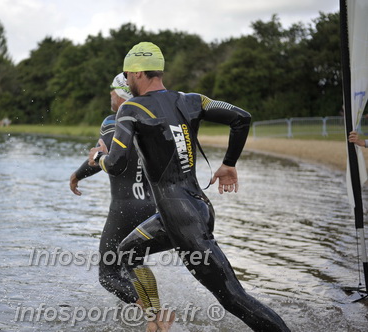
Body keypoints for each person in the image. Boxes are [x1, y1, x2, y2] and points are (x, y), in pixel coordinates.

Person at [89, 42, 290, 331]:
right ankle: (156, 319)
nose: (127, 81)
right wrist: (229, 163)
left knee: (235, 299)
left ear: (136, 73)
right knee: (128, 253)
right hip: (191, 210)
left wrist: (99, 157)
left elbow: (117, 163)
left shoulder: (130, 109)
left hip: (184, 222)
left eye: (127, 74)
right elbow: (240, 117)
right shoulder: (191, 100)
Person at [70, 73, 173, 331]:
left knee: (108, 275)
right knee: (131, 264)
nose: (110, 94)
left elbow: (102, 159)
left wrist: (76, 175)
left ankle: (155, 317)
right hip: (153, 209)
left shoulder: (111, 122)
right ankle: (148, 318)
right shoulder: (153, 119)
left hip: (124, 209)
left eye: (113, 90)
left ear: (123, 94)